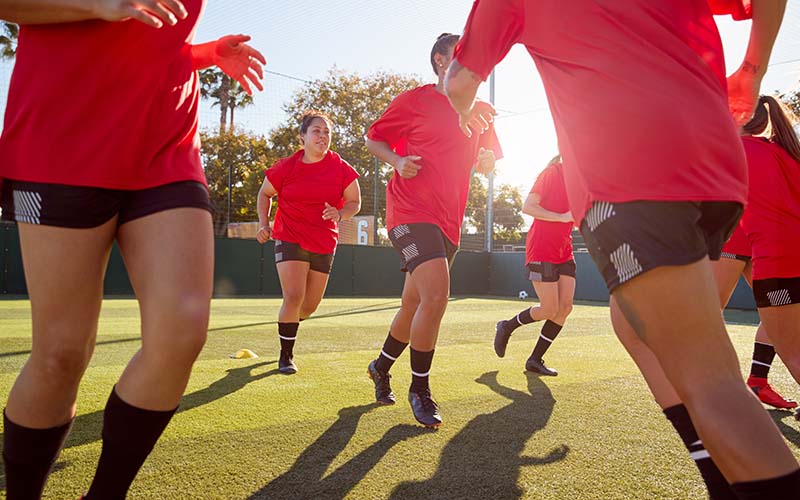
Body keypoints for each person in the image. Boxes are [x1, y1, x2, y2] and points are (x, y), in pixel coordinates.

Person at [445, 0, 800, 496]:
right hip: (716, 167)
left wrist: (466, 113)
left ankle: (728, 479)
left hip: (633, 175)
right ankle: (715, 469)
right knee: (630, 326)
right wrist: (751, 69)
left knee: (711, 378)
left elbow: (460, 83)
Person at [0, 1, 265, 498]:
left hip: (165, 146)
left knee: (181, 336)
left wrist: (203, 53)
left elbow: (149, 35)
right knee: (61, 355)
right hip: (60, 141)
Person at [364, 33, 501, 428]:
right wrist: (396, 159)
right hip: (408, 211)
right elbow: (373, 138)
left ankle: (380, 366)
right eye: (462, 56)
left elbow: (486, 163)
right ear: (441, 62)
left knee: (413, 304)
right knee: (437, 294)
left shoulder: (483, 110)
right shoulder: (415, 101)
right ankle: (419, 388)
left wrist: (489, 160)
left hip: (449, 221)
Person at [256, 111, 361, 374]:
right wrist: (263, 224)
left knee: (310, 305)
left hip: (324, 240)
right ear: (303, 136)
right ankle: (286, 355)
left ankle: (290, 324)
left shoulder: (341, 168)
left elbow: (354, 202)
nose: (322, 136)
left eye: (327, 132)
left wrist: (340, 213)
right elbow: (265, 193)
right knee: (293, 296)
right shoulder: (286, 167)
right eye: (316, 131)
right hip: (289, 236)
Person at [739, 95, 800, 416]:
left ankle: (755, 381)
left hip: (777, 262)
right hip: (792, 255)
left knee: (792, 351)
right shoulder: (789, 152)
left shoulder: (738, 152)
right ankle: (757, 379)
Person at [494, 155, 575, 376]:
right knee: (549, 309)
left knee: (565, 307)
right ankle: (507, 327)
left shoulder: (582, 180)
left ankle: (535, 359)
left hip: (564, 250)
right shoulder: (552, 173)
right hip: (542, 248)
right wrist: (562, 217)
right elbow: (528, 206)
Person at [712, 223, 796, 409]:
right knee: (708, 313)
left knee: (782, 313)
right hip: (732, 232)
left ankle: (758, 380)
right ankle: (707, 385)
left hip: (762, 237)